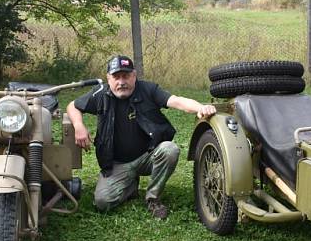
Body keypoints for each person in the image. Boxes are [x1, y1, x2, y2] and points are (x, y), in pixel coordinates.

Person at [66, 55, 216, 219]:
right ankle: (130, 186)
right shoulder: (101, 94)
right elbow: (73, 106)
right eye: (116, 77)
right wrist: (79, 126)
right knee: (103, 203)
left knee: (169, 150)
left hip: (148, 156)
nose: (121, 82)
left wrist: (201, 107)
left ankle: (153, 198)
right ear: (108, 79)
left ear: (134, 76)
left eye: (126, 76)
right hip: (117, 163)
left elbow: (177, 101)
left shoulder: (148, 89)